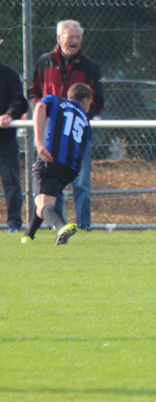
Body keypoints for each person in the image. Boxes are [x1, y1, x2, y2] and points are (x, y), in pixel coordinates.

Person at [29, 20, 103, 230]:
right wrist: (44, 115)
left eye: (78, 37)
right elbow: (34, 92)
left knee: (81, 183)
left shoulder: (89, 66)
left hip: (75, 135)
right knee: (53, 183)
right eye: (71, 37)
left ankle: (84, 226)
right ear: (59, 38)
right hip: (51, 135)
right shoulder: (44, 62)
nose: (75, 41)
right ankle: (58, 226)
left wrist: (79, 115)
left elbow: (98, 98)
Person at [22, 83, 93, 245]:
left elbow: (39, 106)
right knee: (44, 198)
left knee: (42, 205)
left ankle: (61, 226)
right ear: (85, 100)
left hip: (50, 160)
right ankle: (28, 235)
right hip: (70, 168)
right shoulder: (85, 119)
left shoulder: (56, 101)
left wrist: (39, 142)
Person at [0, 61, 29, 232]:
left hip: (6, 138)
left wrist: (10, 114)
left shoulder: (9, 74)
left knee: (11, 180)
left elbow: (19, 100)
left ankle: (14, 223)